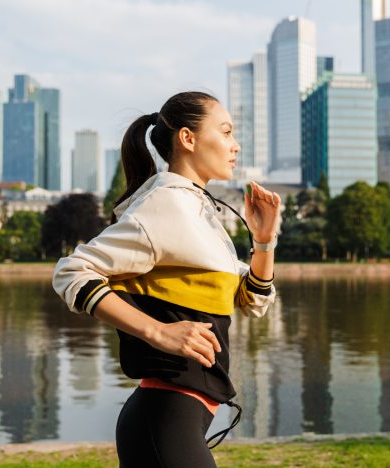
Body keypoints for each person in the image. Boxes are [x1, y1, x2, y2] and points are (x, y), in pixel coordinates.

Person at [52, 91, 280, 467]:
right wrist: (158, 331)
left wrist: (264, 241)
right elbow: (71, 272)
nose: (235, 145)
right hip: (164, 419)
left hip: (180, 419)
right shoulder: (166, 205)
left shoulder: (198, 208)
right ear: (188, 138)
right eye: (225, 132)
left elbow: (253, 300)